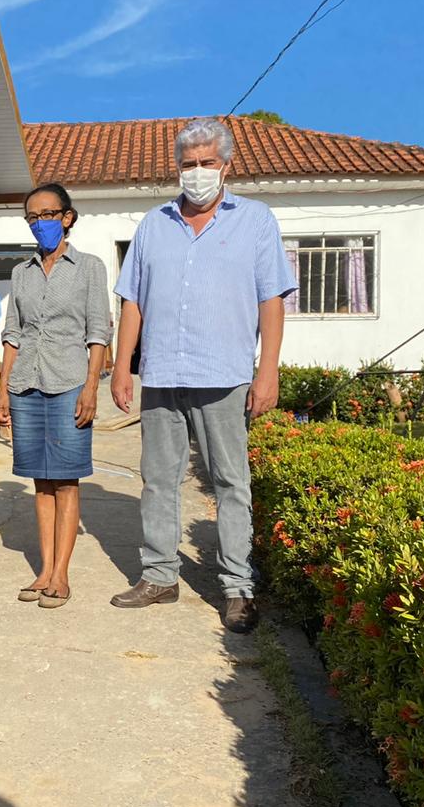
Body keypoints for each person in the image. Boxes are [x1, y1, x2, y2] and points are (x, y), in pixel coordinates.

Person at [109, 117, 297, 633]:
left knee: (231, 482)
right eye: (187, 164)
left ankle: (238, 588)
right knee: (158, 481)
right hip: (163, 374)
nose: (196, 173)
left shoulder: (255, 221)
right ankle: (160, 576)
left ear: (226, 166)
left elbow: (271, 299)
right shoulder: (153, 225)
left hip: (225, 374)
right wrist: (122, 367)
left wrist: (268, 371)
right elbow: (132, 302)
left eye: (206, 163)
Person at [0, 183, 111, 609]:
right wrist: (3, 389)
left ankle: (62, 573)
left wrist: (92, 387)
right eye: (32, 216)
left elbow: (98, 331)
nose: (39, 222)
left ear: (67, 217)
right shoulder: (22, 272)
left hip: (68, 384)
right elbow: (13, 335)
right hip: (26, 384)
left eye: (47, 214)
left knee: (66, 478)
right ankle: (43, 569)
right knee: (40, 481)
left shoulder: (90, 268)